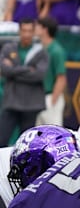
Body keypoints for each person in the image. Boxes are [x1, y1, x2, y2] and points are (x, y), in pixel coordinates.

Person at [0, 18, 48, 147]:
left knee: (26, 146)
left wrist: (14, 71)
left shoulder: (40, 51)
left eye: (29, 31)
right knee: (1, 139)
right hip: (11, 102)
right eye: (24, 31)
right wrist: (27, 70)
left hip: (30, 105)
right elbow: (4, 70)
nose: (26, 34)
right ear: (19, 31)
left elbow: (39, 75)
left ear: (33, 32)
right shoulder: (9, 48)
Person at [34, 16, 67, 127]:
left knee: (53, 134)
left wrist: (52, 101)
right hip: (37, 98)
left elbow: (61, 78)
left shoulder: (56, 50)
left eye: (37, 26)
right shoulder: (39, 49)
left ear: (45, 29)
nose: (35, 29)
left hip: (50, 97)